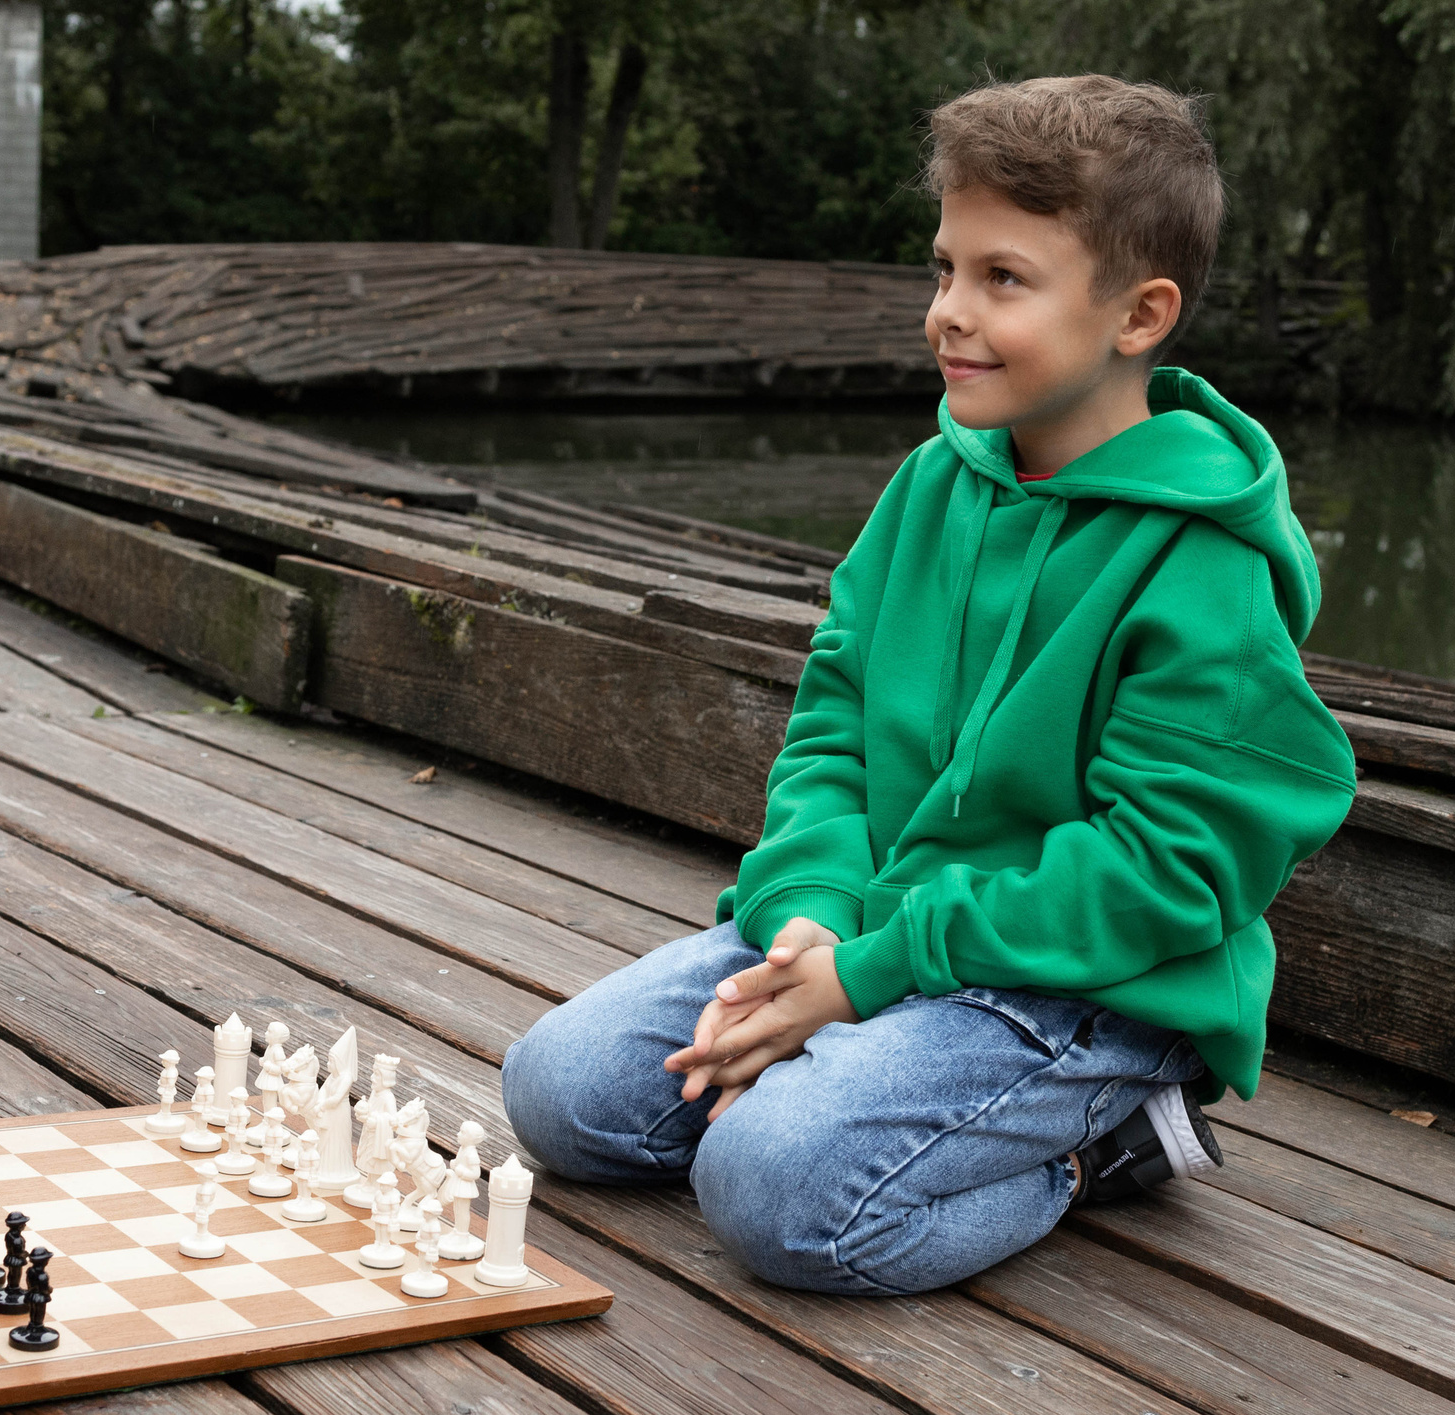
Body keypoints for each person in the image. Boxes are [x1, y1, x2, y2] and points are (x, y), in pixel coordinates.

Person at [502, 74, 1356, 1295]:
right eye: (944, 268)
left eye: (1003, 279)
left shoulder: (1203, 562)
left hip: (1076, 987)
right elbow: (835, 720)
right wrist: (813, 911)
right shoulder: (931, 483)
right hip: (874, 921)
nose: (949, 313)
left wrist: (865, 979)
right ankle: (854, 1080)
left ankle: (1104, 1146)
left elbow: (1171, 872)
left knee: (776, 1192)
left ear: (1138, 314)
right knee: (561, 1096)